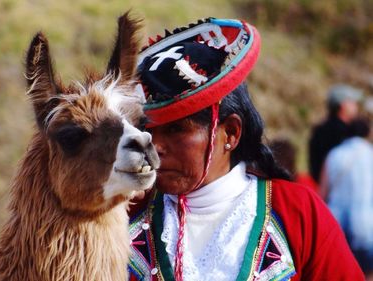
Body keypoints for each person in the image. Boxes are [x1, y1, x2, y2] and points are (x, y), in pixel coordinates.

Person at [128, 17, 363, 281]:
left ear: (230, 132)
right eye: (147, 131)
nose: (154, 146)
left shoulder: (296, 212)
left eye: (175, 129)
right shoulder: (124, 215)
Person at [321, 117, 373, 279]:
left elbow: (323, 189)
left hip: (336, 222)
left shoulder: (334, 154)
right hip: (366, 224)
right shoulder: (370, 154)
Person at [308, 84, 363, 184]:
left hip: (322, 190)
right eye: (352, 102)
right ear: (343, 105)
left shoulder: (319, 130)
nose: (356, 106)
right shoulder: (347, 132)